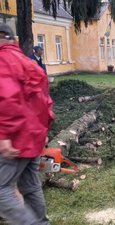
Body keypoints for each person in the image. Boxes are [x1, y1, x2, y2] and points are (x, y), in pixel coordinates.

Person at [0, 22, 54, 225]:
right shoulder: (28, 62)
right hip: (34, 135)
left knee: (1, 189)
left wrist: (4, 135)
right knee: (30, 185)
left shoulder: (3, 61)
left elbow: (7, 99)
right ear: (14, 40)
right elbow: (46, 100)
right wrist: (45, 129)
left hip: (16, 139)